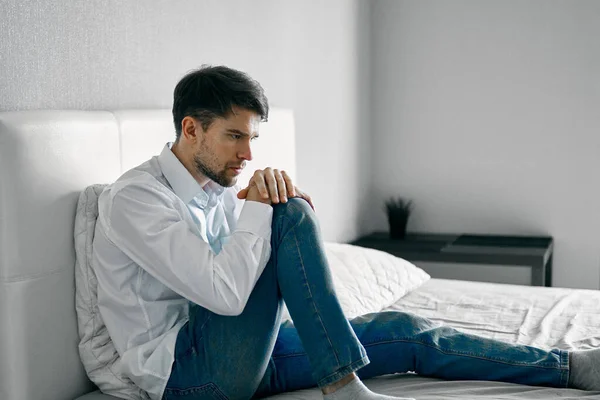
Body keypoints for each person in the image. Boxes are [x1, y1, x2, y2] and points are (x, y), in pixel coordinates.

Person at [90, 65, 600, 400]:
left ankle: (569, 367)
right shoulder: (134, 199)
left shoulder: (219, 186)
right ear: (190, 129)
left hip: (240, 352)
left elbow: (249, 279)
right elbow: (223, 294)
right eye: (235, 137)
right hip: (187, 374)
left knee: (404, 330)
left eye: (253, 138)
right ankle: (343, 383)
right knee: (286, 211)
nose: (247, 155)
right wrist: (269, 213)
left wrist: (268, 210)